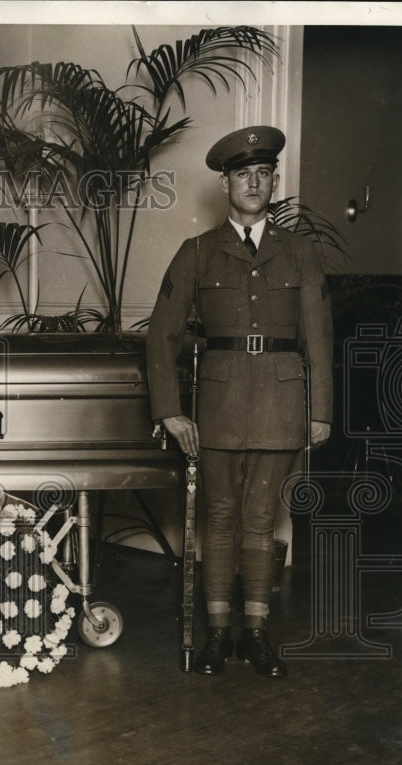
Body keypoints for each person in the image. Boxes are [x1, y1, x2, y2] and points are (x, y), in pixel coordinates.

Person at [146, 125, 333, 678]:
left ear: (273, 182)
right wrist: (170, 409)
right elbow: (162, 336)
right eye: (243, 174)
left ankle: (255, 633)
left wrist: (319, 410)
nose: (254, 183)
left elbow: (318, 335)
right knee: (219, 519)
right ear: (226, 183)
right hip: (219, 407)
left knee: (260, 520)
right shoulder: (198, 253)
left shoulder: (299, 253)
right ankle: (218, 634)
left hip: (281, 401)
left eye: (263, 174)